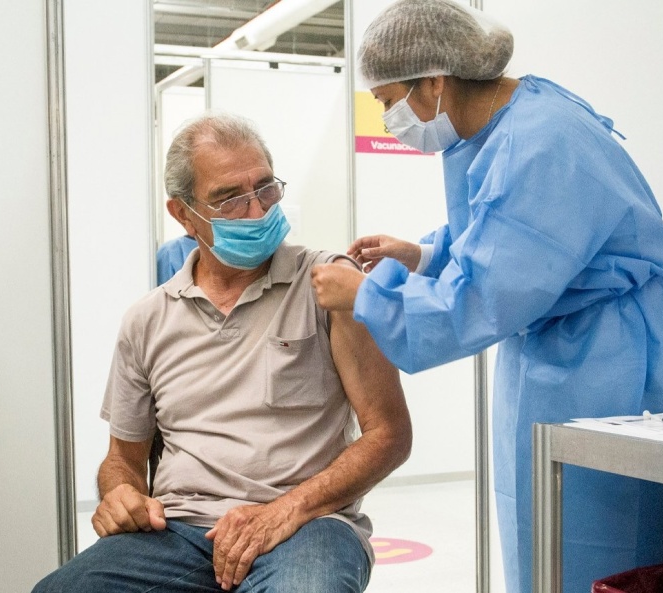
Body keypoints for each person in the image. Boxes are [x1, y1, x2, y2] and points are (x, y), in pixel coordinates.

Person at [310, 1, 663, 592]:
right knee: (549, 538)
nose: (386, 121)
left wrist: (367, 296)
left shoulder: (540, 141)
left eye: (387, 101)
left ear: (433, 81)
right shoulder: (502, 123)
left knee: (623, 549)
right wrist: (423, 255)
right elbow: (498, 235)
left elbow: (485, 293)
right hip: (567, 350)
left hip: (624, 364)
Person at [33, 112, 412, 593]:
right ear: (183, 214)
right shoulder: (147, 321)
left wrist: (286, 510)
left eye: (265, 189)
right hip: (179, 532)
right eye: (230, 199)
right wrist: (120, 493)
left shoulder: (327, 285)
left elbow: (390, 435)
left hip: (308, 524)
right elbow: (122, 459)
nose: (256, 212)